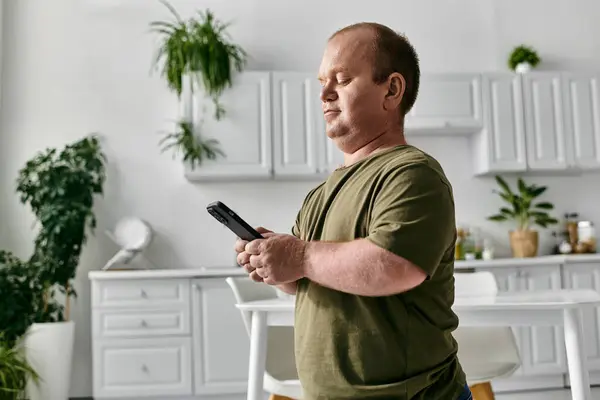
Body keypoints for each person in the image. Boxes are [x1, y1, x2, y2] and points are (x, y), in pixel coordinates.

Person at [234, 22, 472, 400]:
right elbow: (305, 280)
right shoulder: (320, 193)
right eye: (321, 82)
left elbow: (394, 265)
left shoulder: (411, 172)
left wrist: (297, 255)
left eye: (341, 79)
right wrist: (274, 263)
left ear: (391, 90)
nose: (325, 93)